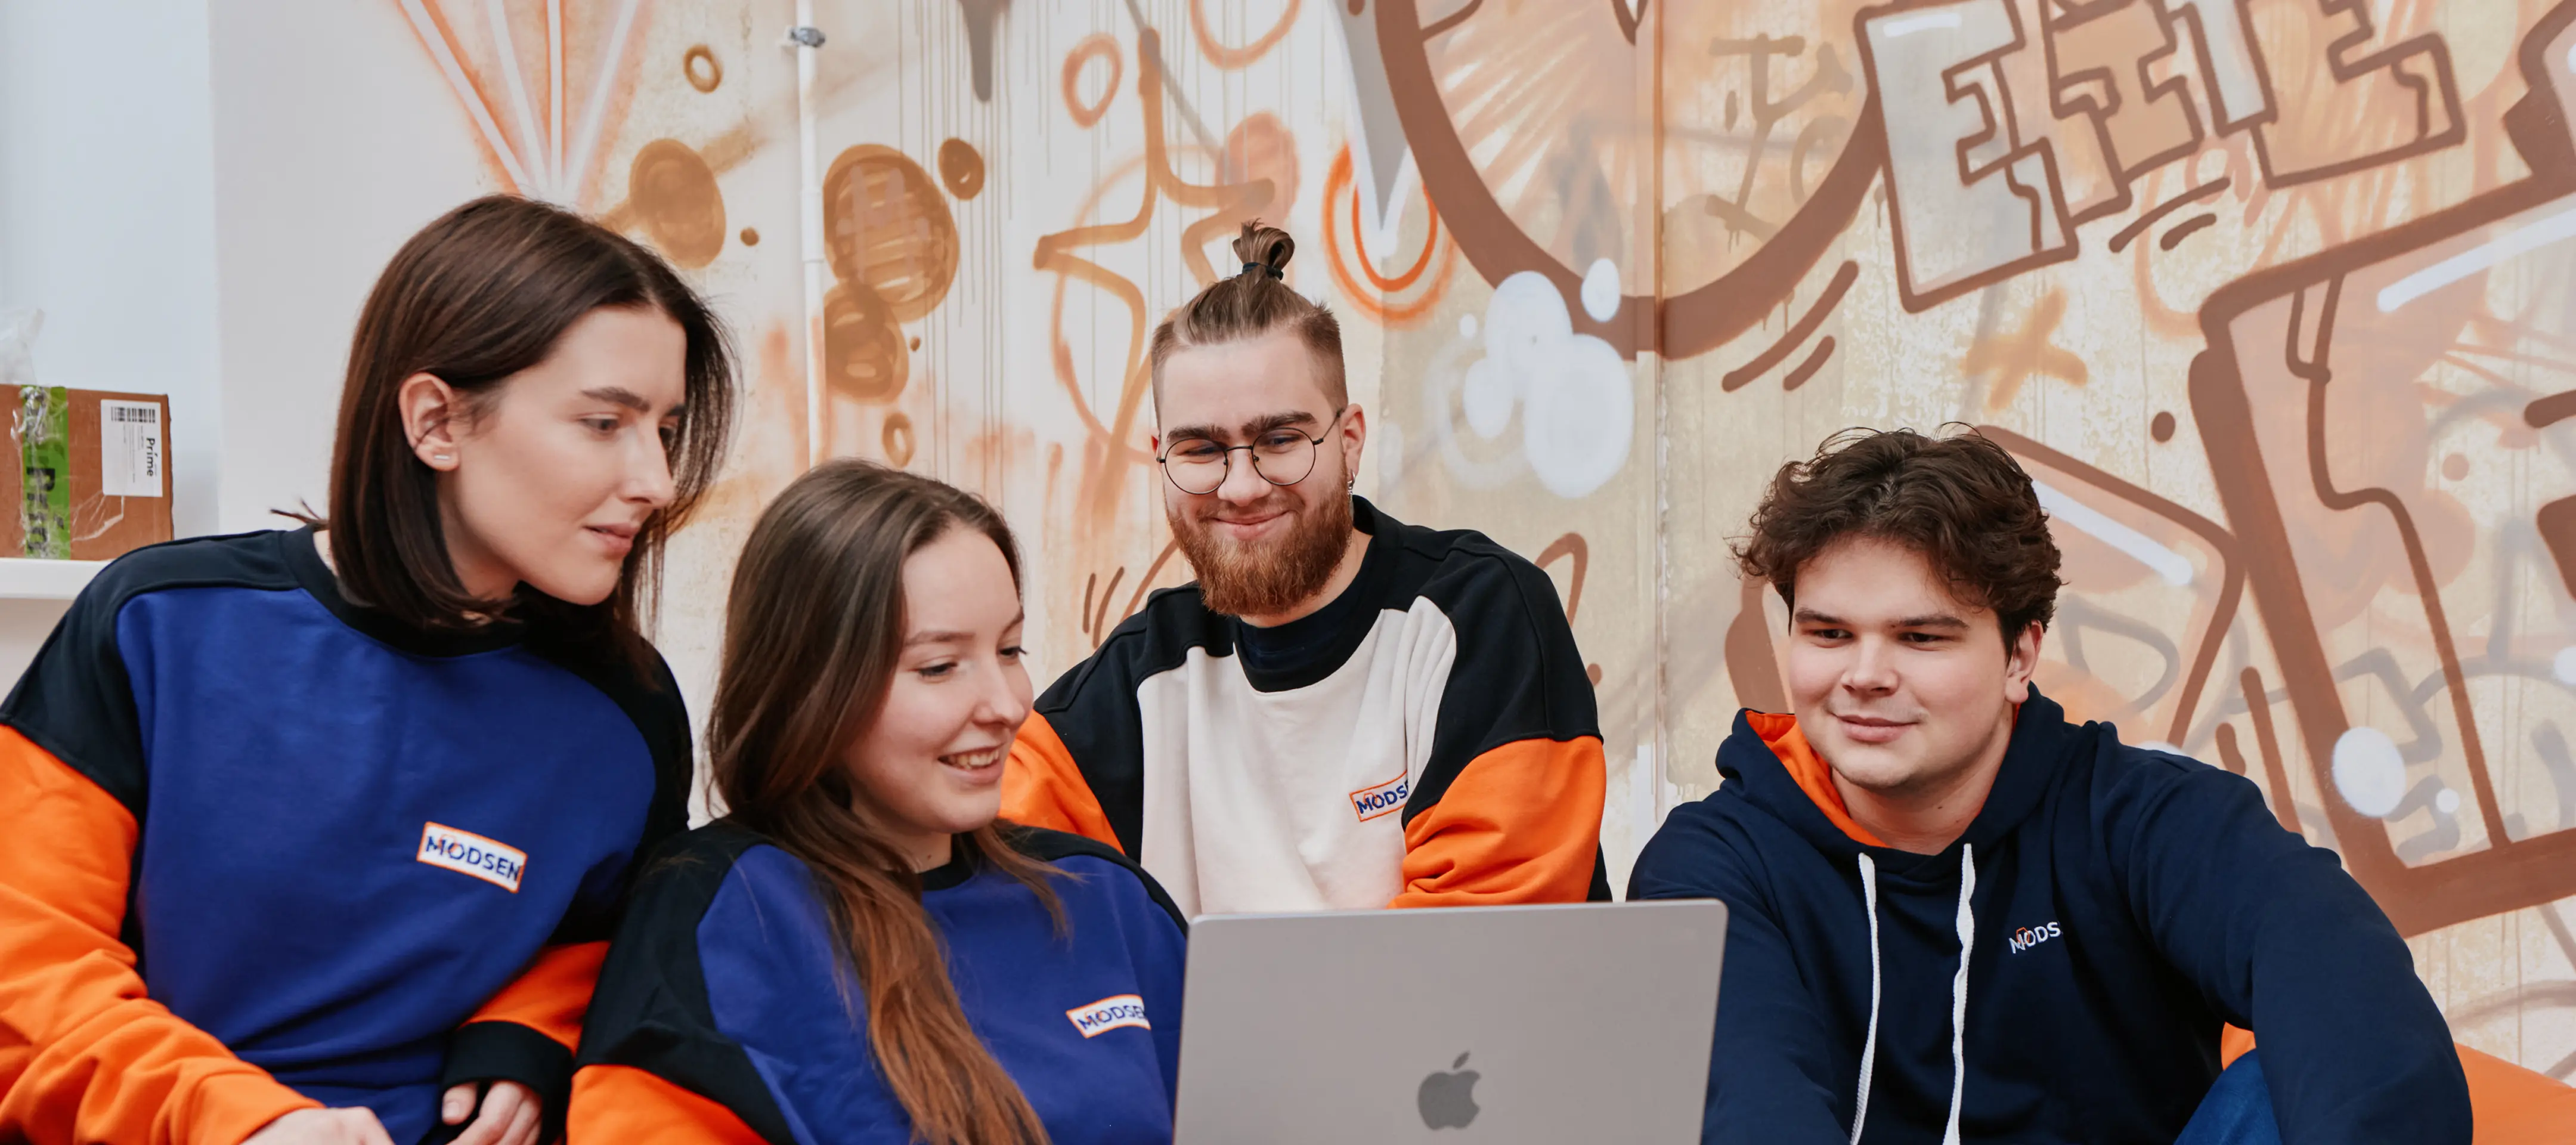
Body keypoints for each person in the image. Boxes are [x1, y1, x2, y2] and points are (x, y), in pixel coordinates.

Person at [0, 196, 733, 1145]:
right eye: (603, 423)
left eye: (666, 429)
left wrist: (532, 1029)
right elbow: (25, 964)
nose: (658, 483)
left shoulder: (626, 710)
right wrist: (243, 1122)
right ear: (436, 422)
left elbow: (624, 939)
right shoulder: (158, 622)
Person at [1629, 428, 2471, 1144]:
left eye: (1921, 638)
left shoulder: (2139, 818)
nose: (1865, 675)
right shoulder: (1714, 867)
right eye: (1829, 634)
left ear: (2020, 656)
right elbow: (1753, 1115)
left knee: (2287, 1088)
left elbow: (2343, 983)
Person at [569, 461, 1187, 1145]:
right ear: (813, 687)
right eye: (939, 667)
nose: (1008, 704)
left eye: (1010, 649)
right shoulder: (722, 909)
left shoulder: (1105, 897)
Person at [1001, 221, 1608, 914]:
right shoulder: (1137, 685)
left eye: (1281, 439)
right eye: (1201, 450)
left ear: (1349, 441)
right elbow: (994, 890)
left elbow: (1475, 951)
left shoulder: (1477, 619)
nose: (1240, 486)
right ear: (1160, 456)